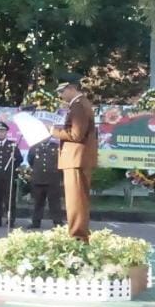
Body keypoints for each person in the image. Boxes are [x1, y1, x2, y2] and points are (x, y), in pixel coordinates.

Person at [50, 73, 97, 242]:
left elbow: (76, 135)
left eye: (62, 91)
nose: (60, 95)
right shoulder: (79, 104)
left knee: (76, 202)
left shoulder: (78, 105)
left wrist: (53, 131)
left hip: (76, 158)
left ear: (71, 88)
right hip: (77, 158)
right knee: (76, 201)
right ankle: (77, 234)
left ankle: (78, 237)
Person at [0, 122, 20, 228]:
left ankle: (10, 220)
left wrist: (13, 159)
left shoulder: (12, 145)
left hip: (8, 176)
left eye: (2, 131)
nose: (0, 133)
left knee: (9, 199)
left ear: (6, 132)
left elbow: (19, 159)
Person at [26, 134, 63, 229]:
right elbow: (30, 160)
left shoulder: (56, 147)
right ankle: (36, 222)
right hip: (38, 179)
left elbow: (61, 162)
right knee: (38, 202)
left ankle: (57, 223)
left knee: (55, 203)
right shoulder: (34, 147)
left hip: (52, 179)